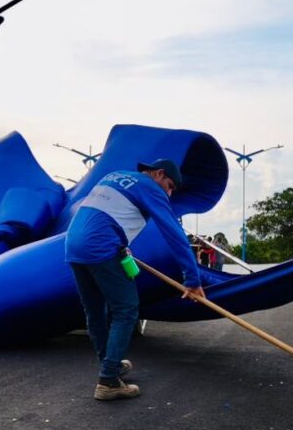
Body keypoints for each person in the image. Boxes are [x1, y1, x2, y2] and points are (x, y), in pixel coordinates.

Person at [64, 158, 205, 401]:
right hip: (101, 247)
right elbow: (173, 233)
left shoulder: (115, 176)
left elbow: (103, 215)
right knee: (126, 310)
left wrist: (120, 244)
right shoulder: (150, 187)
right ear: (159, 174)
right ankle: (108, 381)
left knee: (95, 311)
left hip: (74, 246)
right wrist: (192, 279)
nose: (169, 193)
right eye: (170, 186)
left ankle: (110, 365)